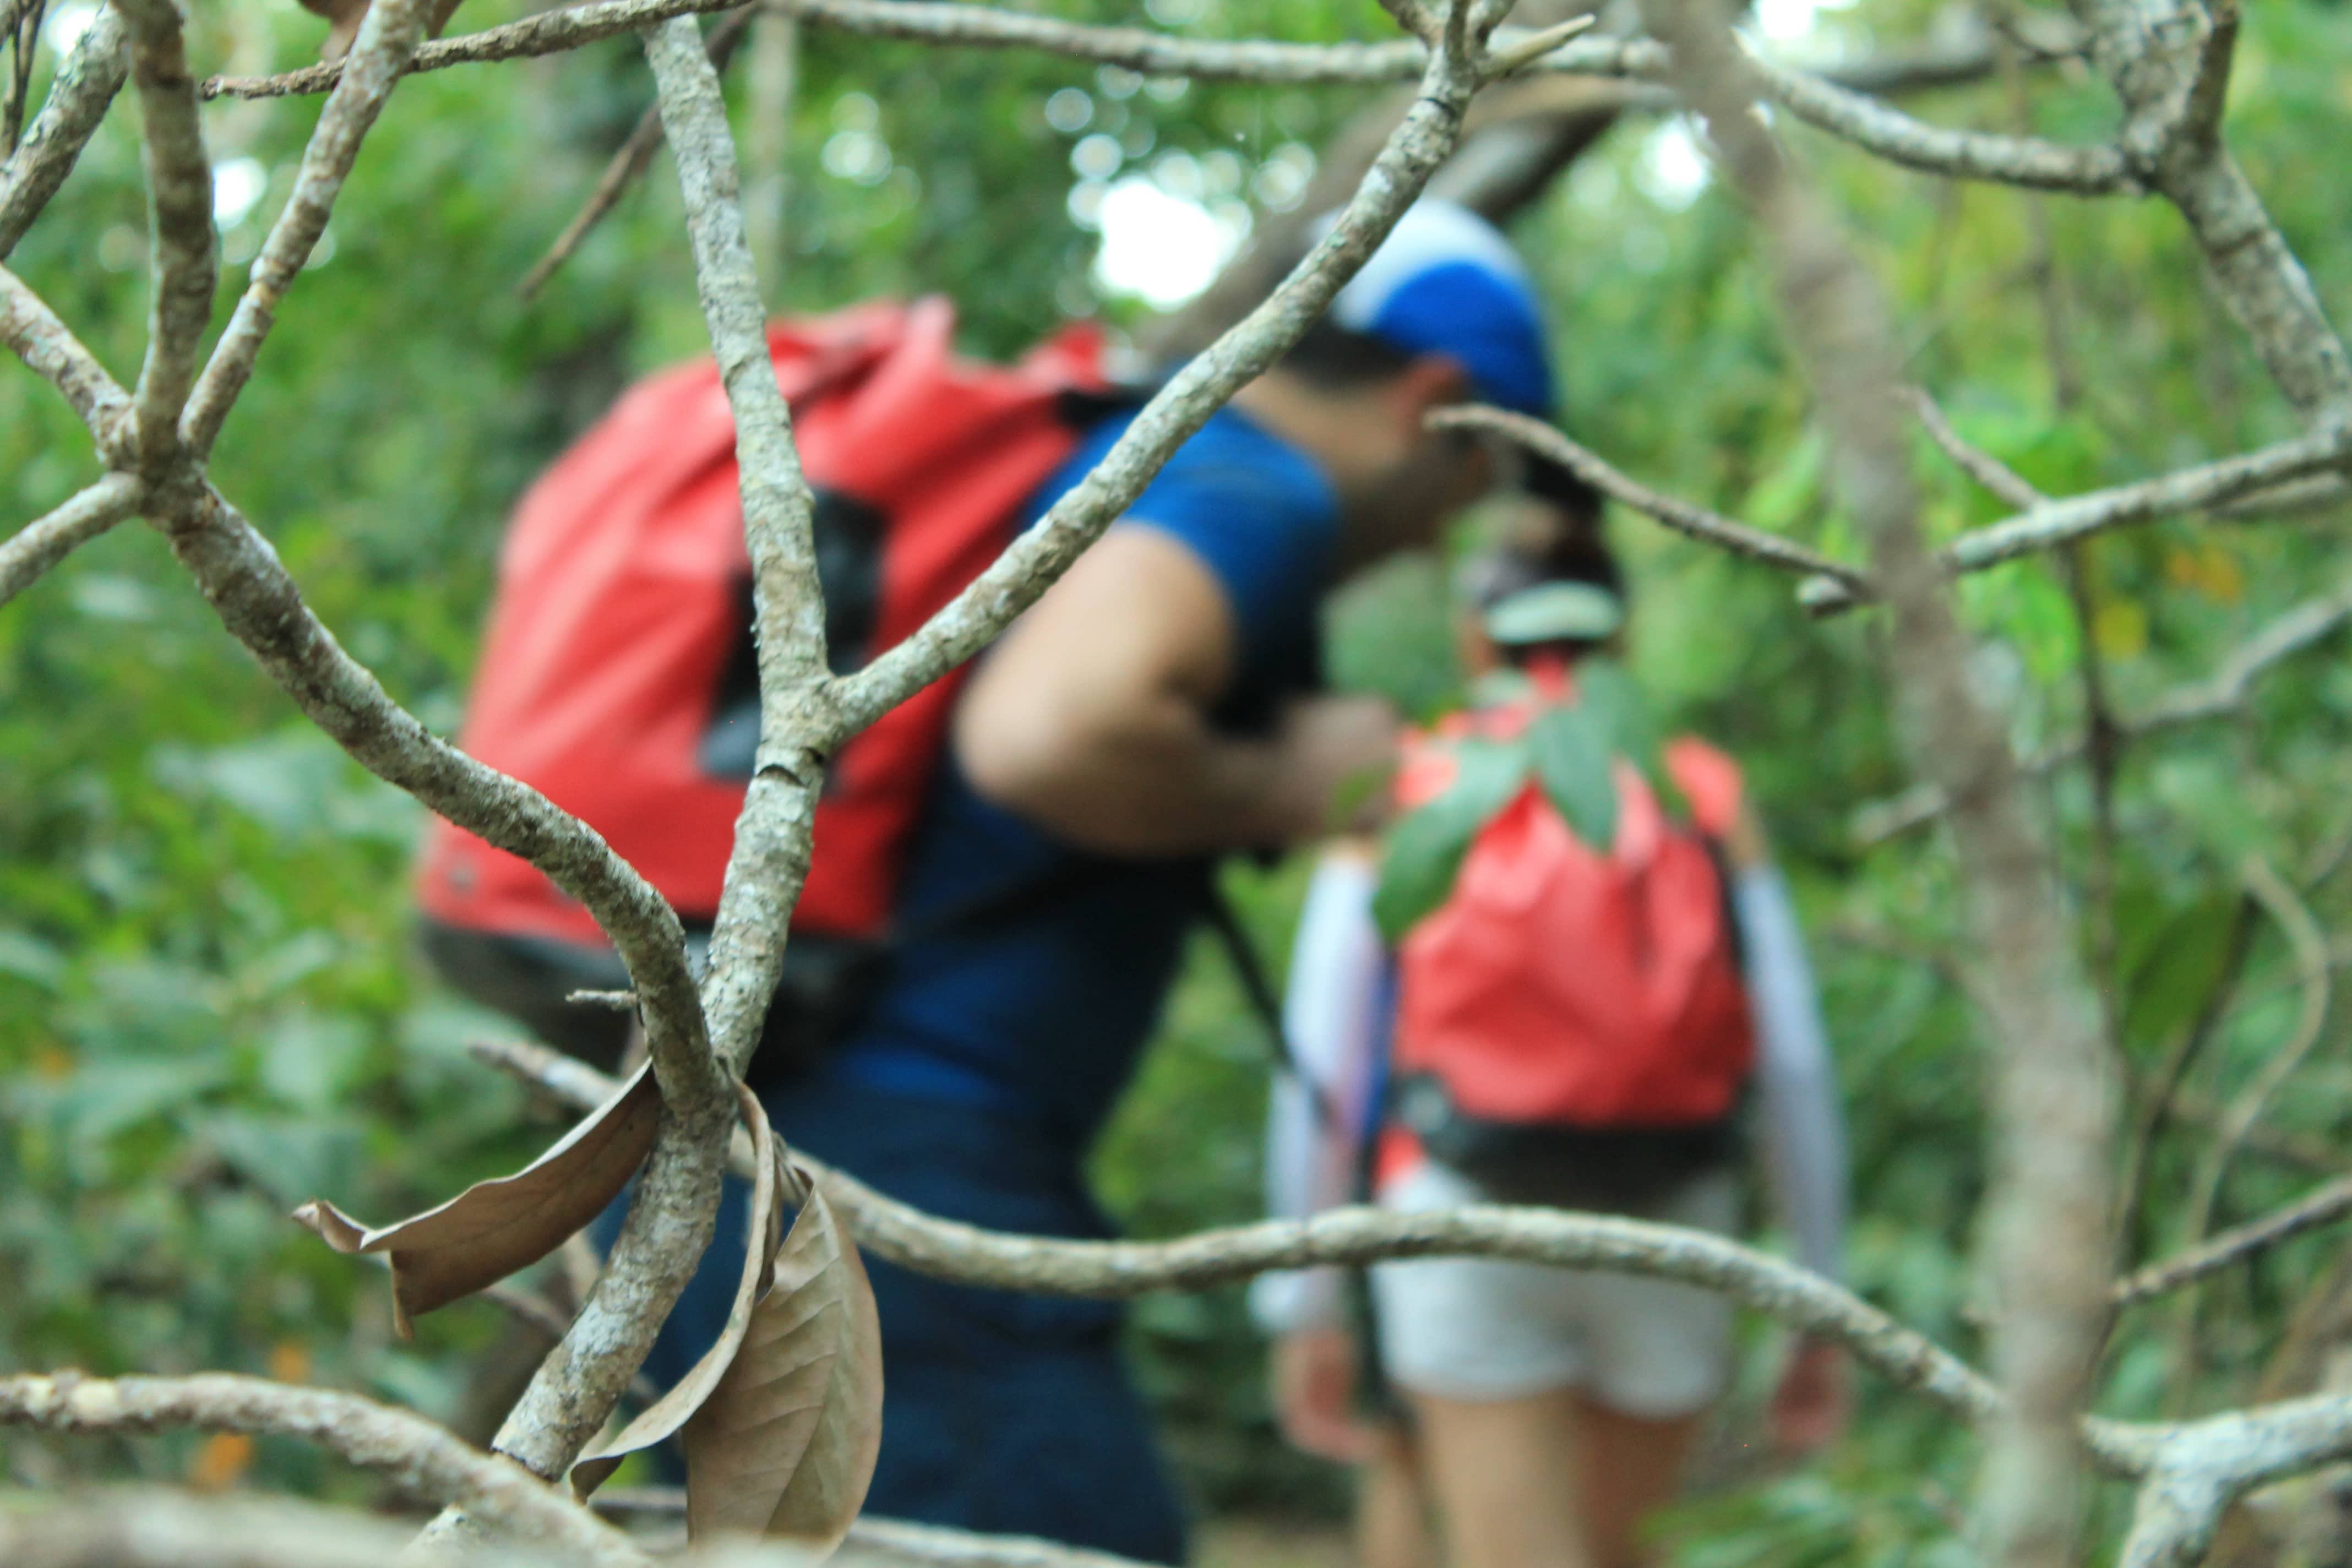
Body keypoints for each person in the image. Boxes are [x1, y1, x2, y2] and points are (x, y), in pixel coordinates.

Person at [421, 202, 1564, 1562]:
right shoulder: (1249, 482)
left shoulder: (1112, 457)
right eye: (1468, 489)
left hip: (724, 1158)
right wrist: (1288, 780)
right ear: (1436, 406)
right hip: (890, 1186)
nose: (1440, 542)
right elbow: (1052, 731)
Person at [1253, 515, 1853, 1568]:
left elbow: (1326, 1071)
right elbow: (1794, 1061)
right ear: (1621, 641)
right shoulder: (1701, 789)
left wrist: (1303, 1300)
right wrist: (1820, 1292)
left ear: (1475, 641)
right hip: (1675, 1223)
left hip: (1460, 1224)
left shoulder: (1412, 785)